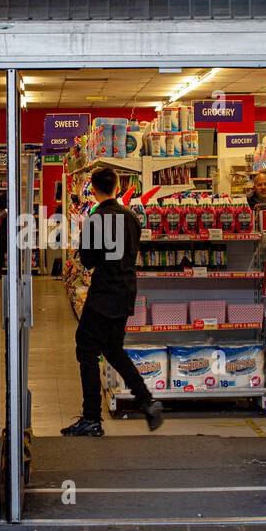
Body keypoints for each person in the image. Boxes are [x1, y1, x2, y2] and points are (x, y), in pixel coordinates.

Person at [61, 167, 164, 437]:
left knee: (86, 350)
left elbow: (88, 260)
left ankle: (92, 418)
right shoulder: (131, 218)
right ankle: (146, 399)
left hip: (104, 293)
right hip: (125, 292)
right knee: (113, 349)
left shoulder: (97, 219)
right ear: (117, 188)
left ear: (93, 191)